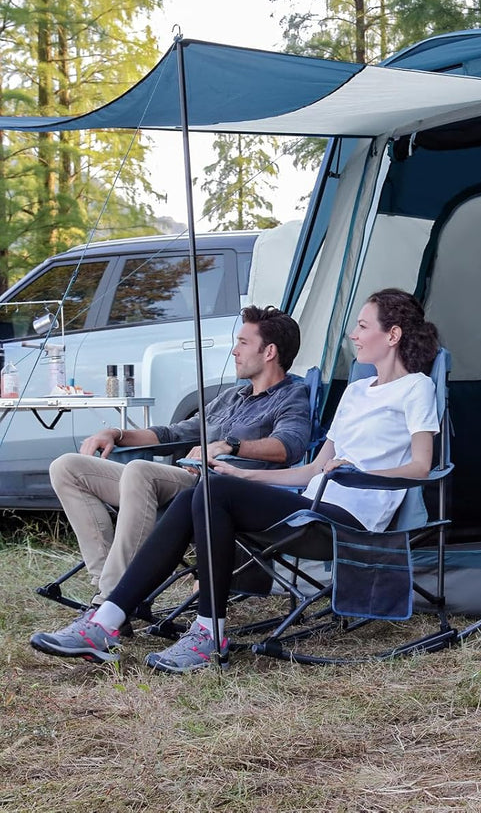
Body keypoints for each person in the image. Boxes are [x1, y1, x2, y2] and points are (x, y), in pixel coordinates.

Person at [30, 288, 441, 673]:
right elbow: (311, 470)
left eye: (363, 326)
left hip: (350, 520)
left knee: (209, 490)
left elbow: (421, 467)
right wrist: (242, 474)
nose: (354, 334)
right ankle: (113, 620)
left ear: (393, 335)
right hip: (313, 506)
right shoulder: (356, 392)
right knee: (209, 488)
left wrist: (357, 472)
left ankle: (185, 630)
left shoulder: (416, 388)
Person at [37, 305, 311, 631]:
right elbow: (173, 433)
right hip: (180, 481)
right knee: (67, 467)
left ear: (269, 352)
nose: (234, 351)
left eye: (242, 343)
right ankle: (108, 587)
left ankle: (107, 605)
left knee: (140, 470)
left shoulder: (291, 395)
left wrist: (230, 445)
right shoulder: (232, 397)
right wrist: (116, 433)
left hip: (219, 490)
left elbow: (289, 446)